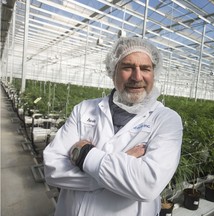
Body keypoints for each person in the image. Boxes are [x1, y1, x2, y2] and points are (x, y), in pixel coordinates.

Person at [43, 37, 183, 216]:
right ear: (113, 71)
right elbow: (52, 169)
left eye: (145, 68)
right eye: (127, 67)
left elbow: (147, 185)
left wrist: (84, 155)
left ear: (154, 73)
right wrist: (114, 173)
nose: (137, 76)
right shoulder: (84, 109)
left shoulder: (167, 120)